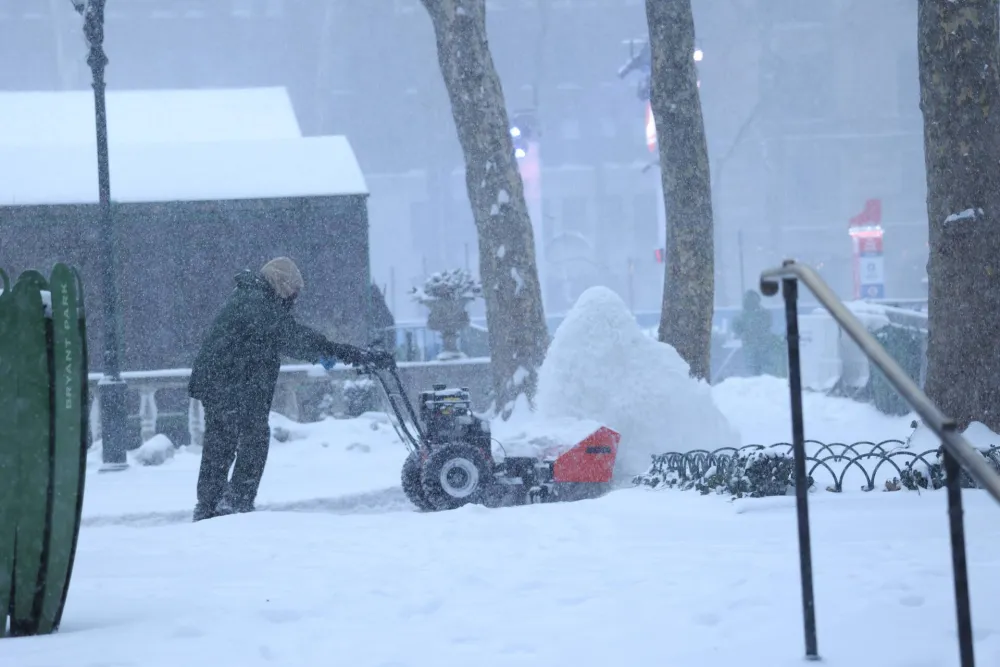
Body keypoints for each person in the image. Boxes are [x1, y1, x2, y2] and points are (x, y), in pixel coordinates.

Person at [188, 257, 393, 522]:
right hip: (229, 382)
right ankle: (233, 503)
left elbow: (280, 336)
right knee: (248, 439)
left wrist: (325, 351)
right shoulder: (256, 303)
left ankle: (212, 505)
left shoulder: (254, 297)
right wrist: (337, 351)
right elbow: (289, 335)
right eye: (293, 291)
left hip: (227, 381)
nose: (294, 298)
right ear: (281, 284)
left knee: (224, 442)